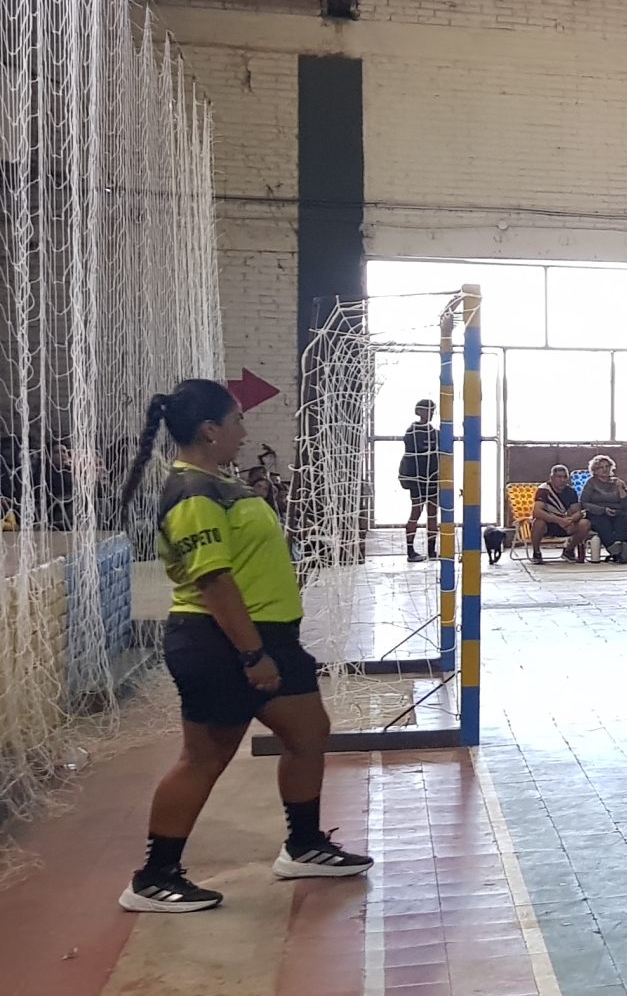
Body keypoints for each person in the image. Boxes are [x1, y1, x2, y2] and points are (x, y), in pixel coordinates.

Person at [117, 379, 374, 913]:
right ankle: (154, 875)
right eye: (237, 420)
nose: (244, 429)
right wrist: (252, 654)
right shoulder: (192, 493)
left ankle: (304, 846)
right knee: (204, 759)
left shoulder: (218, 482)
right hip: (222, 642)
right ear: (210, 430)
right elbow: (214, 582)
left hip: (270, 636)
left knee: (309, 733)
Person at [397, 398, 437, 562]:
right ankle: (411, 551)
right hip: (418, 479)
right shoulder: (412, 431)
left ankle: (431, 551)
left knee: (433, 514)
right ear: (419, 412)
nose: (430, 414)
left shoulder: (433, 431)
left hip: (432, 478)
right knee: (416, 512)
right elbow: (414, 455)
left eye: (432, 411)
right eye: (428, 411)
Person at [582, 455, 627, 560]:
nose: (605, 469)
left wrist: (622, 492)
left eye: (607, 466)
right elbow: (584, 503)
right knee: (603, 524)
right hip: (598, 513)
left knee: (623, 521)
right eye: (601, 467)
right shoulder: (591, 483)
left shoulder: (618, 482)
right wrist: (603, 510)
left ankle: (621, 549)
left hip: (617, 512)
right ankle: (616, 551)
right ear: (595, 470)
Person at [531, 464, 591, 563]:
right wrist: (559, 520)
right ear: (551, 478)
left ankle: (569, 550)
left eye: (565, 477)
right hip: (548, 524)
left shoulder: (571, 492)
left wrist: (571, 519)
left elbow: (577, 511)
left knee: (585, 524)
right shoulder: (544, 490)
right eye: (559, 477)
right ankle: (536, 552)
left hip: (566, 524)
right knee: (538, 522)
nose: (562, 480)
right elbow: (537, 512)